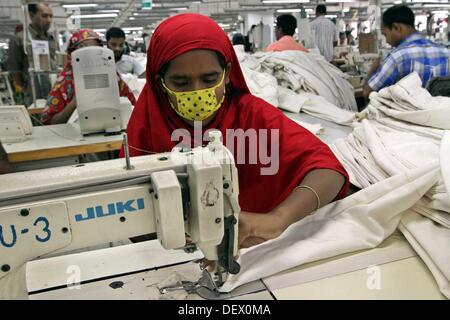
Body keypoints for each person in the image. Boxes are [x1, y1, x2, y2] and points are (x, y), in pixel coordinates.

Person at [122, 13, 349, 249]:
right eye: (181, 83)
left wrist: (278, 219)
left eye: (210, 79)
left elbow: (328, 170)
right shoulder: (145, 128)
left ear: (227, 73)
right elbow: (125, 210)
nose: (197, 91)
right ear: (160, 82)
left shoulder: (252, 115)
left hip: (253, 247)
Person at [41, 29, 136, 125]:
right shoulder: (65, 82)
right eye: (83, 49)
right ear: (72, 53)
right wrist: (74, 103)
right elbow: (49, 123)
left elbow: (133, 106)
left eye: (95, 49)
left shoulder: (111, 76)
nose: (90, 56)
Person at [363, 5, 450, 100]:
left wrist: (373, 68)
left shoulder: (398, 57)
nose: (387, 41)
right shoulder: (446, 53)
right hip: (443, 113)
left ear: (396, 28)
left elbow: (368, 93)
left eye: (385, 34)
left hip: (408, 115)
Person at [7, 3, 57, 106]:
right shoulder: (19, 39)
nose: (49, 20)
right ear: (31, 15)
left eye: (51, 16)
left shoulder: (52, 39)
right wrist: (27, 87)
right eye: (44, 16)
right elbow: (15, 71)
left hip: (54, 94)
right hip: (33, 96)